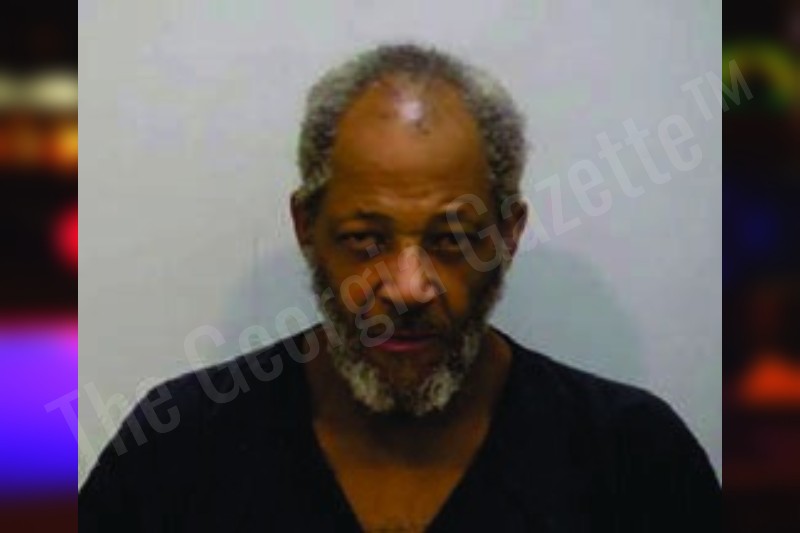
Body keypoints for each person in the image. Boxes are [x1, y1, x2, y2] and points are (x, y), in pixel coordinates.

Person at [79, 43, 720, 532]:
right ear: (306, 227)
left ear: (508, 233)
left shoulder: (635, 459)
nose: (408, 288)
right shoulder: (175, 447)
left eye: (452, 240)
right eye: (365, 239)